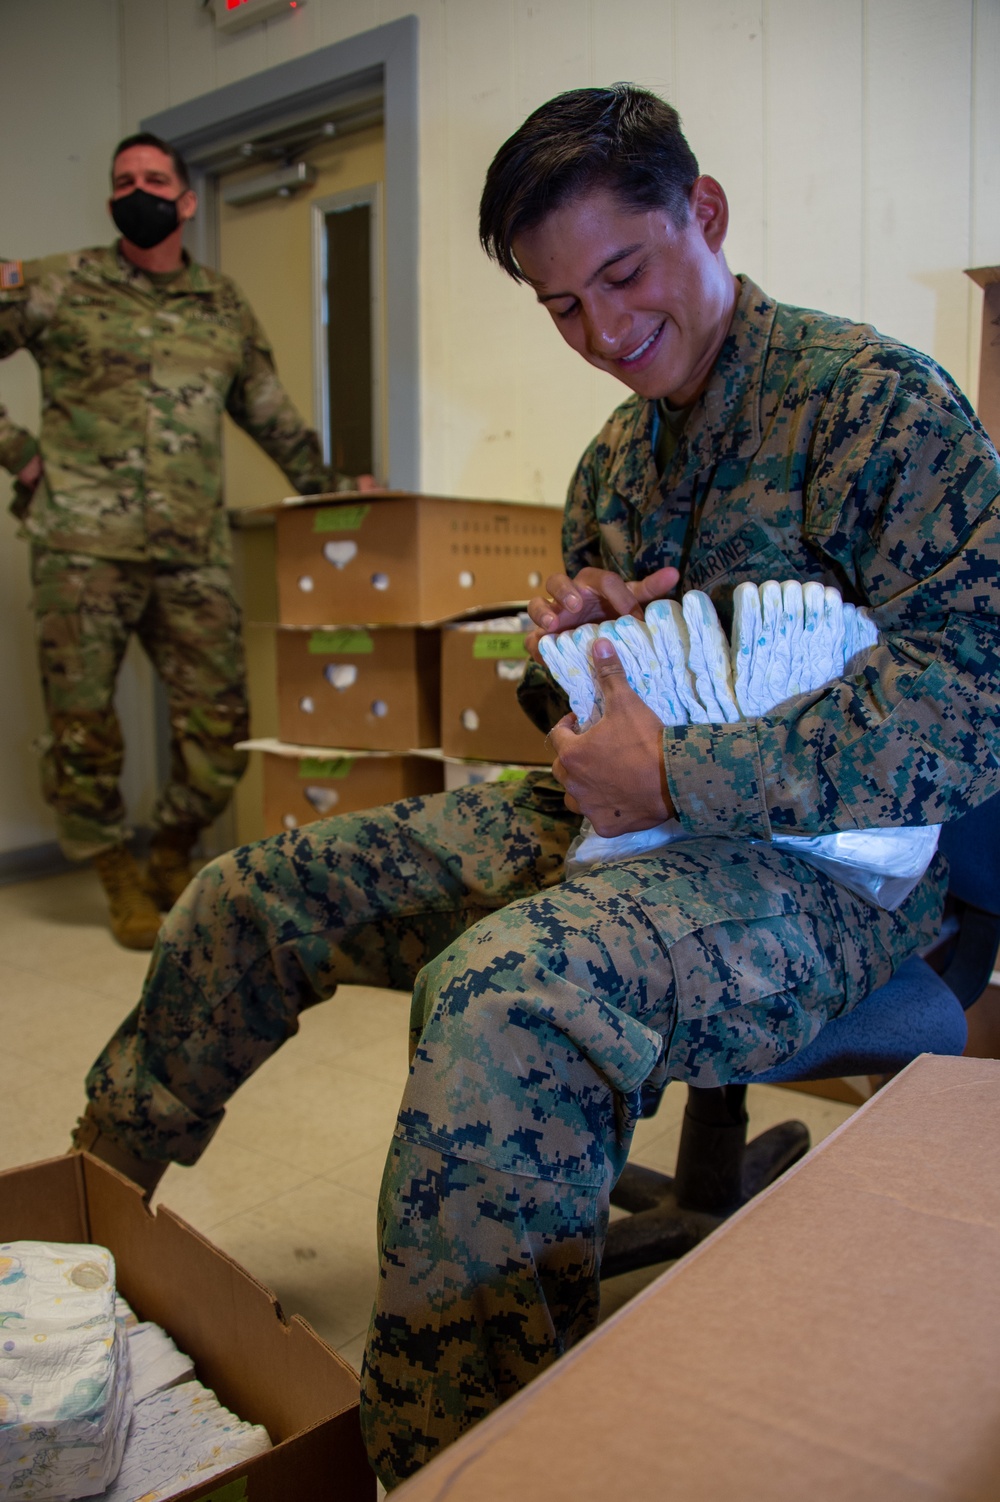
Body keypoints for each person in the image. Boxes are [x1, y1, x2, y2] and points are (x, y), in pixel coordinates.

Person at [73, 86, 1000, 1487]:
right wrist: (571, 666)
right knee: (260, 883)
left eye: (622, 275)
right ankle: (82, 1217)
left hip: (831, 867)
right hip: (629, 829)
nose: (604, 332)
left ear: (704, 214)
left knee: (510, 996)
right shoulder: (619, 458)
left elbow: (976, 692)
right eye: (562, 306)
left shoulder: (874, 409)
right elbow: (573, 727)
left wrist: (685, 762)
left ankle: (470, 1464)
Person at [0, 132, 364, 949]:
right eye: (124, 179)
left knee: (218, 723)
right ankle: (115, 873)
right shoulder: (60, 283)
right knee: (83, 727)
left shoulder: (222, 304)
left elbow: (268, 411)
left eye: (156, 178)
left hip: (190, 550)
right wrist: (20, 458)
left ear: (186, 199)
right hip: (79, 547)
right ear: (110, 200)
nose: (141, 189)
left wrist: (338, 489)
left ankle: (168, 848)